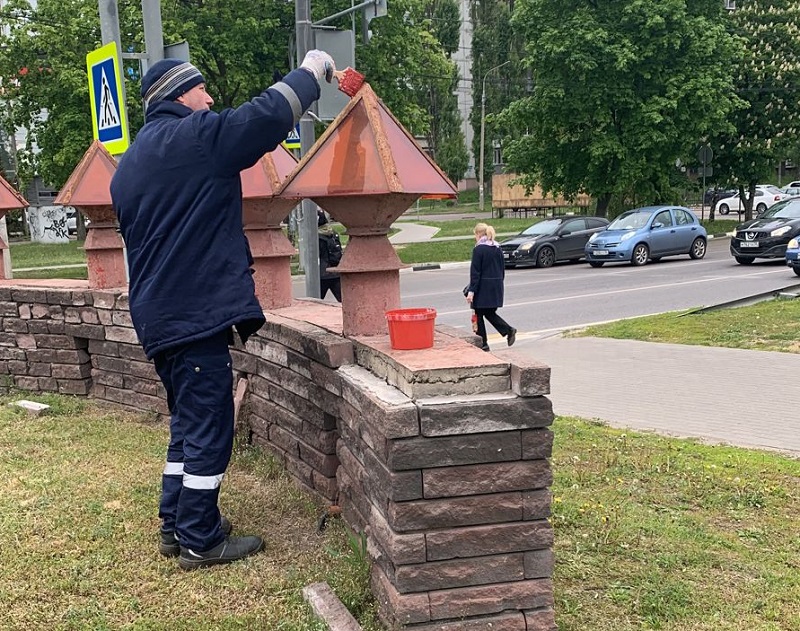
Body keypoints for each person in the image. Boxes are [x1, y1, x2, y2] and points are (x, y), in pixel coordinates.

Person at [110, 51, 335, 570]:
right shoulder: (193, 140)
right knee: (211, 425)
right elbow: (262, 118)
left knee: (187, 424)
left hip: (158, 316)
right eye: (201, 90)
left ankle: (175, 523)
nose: (209, 99)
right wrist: (310, 71)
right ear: (177, 95)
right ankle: (198, 539)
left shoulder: (132, 165)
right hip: (192, 315)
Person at [464, 222, 517, 351]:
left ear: (478, 234)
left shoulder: (479, 249)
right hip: (496, 285)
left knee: (479, 313)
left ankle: (483, 343)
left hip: (483, 287)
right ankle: (508, 330)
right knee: (488, 312)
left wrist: (471, 291)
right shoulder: (497, 247)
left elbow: (475, 273)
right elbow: (502, 269)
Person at [318, 210, 343, 302]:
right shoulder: (333, 233)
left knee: (315, 302)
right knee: (343, 300)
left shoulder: (316, 237)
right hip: (335, 272)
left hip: (321, 274)